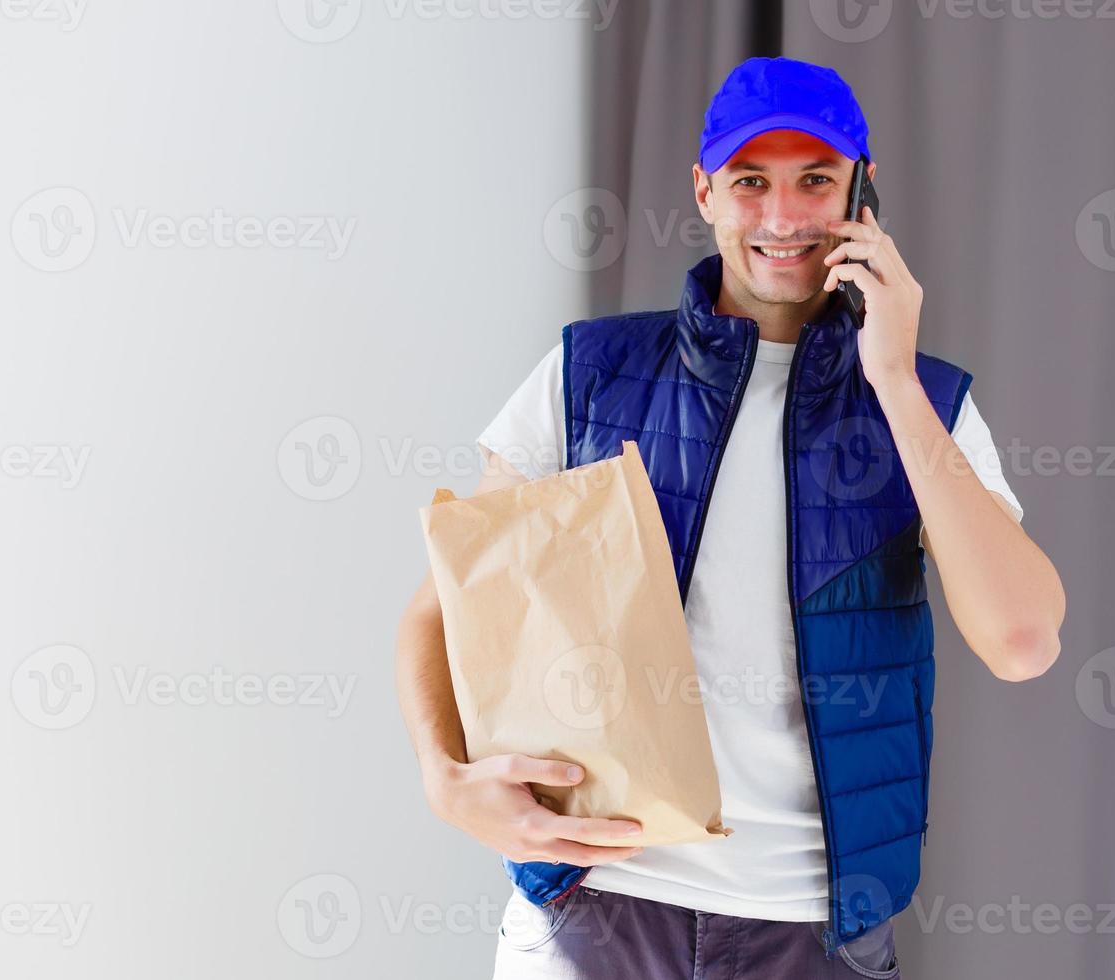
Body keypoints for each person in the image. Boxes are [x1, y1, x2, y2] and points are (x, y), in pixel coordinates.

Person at [397, 56, 1066, 979]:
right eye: (752, 182)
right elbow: (443, 607)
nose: (785, 218)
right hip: (595, 912)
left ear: (863, 196)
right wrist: (445, 780)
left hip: (815, 935)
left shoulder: (927, 405)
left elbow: (1022, 640)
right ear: (705, 191)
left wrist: (895, 381)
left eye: (816, 182)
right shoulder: (589, 374)